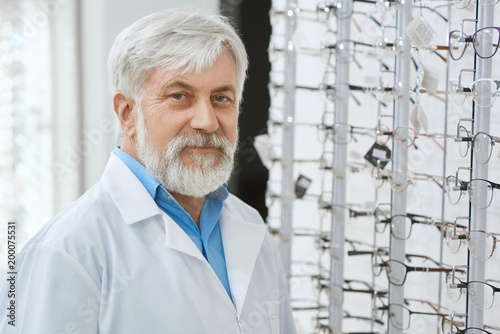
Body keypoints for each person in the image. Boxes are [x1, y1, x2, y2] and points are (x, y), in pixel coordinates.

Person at [0, 8, 296, 334]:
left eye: (221, 98)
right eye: (180, 95)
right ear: (128, 114)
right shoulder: (66, 250)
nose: (207, 121)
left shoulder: (250, 227)